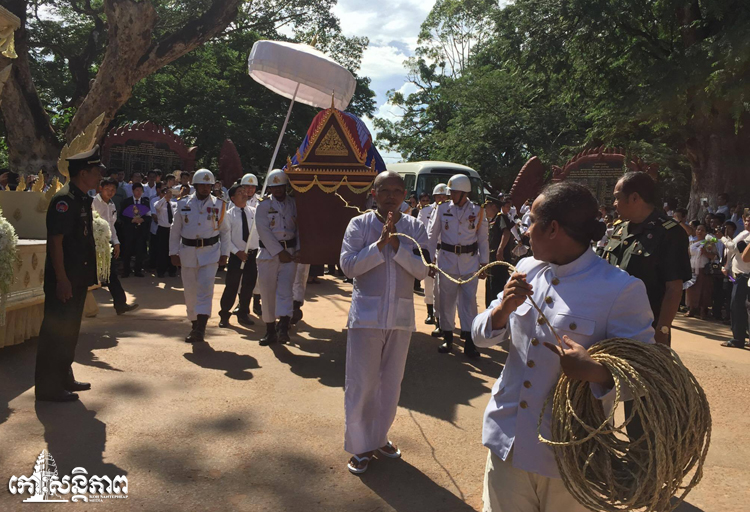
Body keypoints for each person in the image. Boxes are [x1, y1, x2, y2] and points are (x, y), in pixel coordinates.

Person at [473, 182, 655, 512]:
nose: (525, 231)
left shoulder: (620, 289)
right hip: (508, 440)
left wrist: (596, 372)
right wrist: (502, 311)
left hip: (569, 456)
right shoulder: (526, 269)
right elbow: (479, 336)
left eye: (531, 222)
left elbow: (644, 375)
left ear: (553, 228)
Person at [340, 171, 429, 474]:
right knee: (361, 382)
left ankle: (379, 438)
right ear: (373, 194)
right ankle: (359, 445)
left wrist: (397, 246)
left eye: (396, 191)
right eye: (384, 190)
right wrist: (378, 246)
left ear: (405, 195)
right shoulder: (359, 225)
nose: (391, 196)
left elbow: (423, 270)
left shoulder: (415, 227)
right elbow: (348, 266)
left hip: (400, 317)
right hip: (366, 316)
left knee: (391, 383)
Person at [35, 145, 104, 402]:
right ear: (83, 173)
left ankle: (64, 376)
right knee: (55, 333)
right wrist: (62, 279)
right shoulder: (64, 200)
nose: (100, 176)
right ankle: (48, 388)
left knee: (70, 331)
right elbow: (56, 242)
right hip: (64, 279)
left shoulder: (81, 198)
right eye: (96, 172)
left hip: (77, 276)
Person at [603, 172, 691, 346]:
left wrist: (662, 331)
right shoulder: (620, 229)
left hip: (643, 330)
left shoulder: (669, 233)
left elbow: (673, 288)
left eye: (617, 197)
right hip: (609, 323)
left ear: (635, 198)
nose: (614, 203)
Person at [427, 174, 489, 357]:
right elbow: (432, 235)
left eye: (454, 192)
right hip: (447, 261)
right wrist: (430, 261)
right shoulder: (442, 208)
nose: (451, 195)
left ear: (464, 193)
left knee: (469, 302)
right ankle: (448, 338)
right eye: (451, 192)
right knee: (446, 301)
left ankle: (470, 343)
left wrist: (484, 262)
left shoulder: (477, 210)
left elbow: (483, 239)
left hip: (470, 262)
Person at [169, 169, 230, 343]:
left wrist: (225, 253)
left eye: (208, 185)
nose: (205, 188)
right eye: (202, 185)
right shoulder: (183, 203)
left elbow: (225, 231)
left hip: (210, 252)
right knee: (190, 292)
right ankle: (194, 323)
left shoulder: (219, 204)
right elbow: (175, 230)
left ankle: (201, 328)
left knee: (205, 289)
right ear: (195, 185)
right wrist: (173, 252)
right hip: (187, 252)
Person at [255, 169, 299, 345]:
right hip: (268, 254)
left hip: (291, 253)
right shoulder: (263, 205)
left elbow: (300, 228)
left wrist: (299, 249)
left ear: (285, 186)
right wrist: (279, 252)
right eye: (274, 187)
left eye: (281, 186)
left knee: (286, 291)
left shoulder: (294, 204)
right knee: (267, 293)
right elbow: (263, 231)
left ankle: (283, 328)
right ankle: (270, 330)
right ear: (270, 188)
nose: (278, 189)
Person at [92, 178, 139, 315]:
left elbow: (111, 226)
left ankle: (120, 304)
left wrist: (116, 242)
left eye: (113, 190)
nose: (110, 192)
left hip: (107, 244)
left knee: (111, 274)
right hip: (93, 244)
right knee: (88, 276)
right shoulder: (93, 202)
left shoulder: (112, 205)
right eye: (107, 189)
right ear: (101, 188)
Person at [218, 184, 258, 328]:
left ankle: (243, 312)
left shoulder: (254, 212)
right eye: (240, 192)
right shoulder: (228, 215)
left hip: (252, 255)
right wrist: (237, 252)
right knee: (232, 285)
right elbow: (226, 238)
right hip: (236, 256)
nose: (244, 193)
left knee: (248, 285)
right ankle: (224, 314)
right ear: (233, 198)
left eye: (244, 191)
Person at [721, 212, 750, 348]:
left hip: (746, 276)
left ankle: (738, 339)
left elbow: (735, 248)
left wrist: (721, 238)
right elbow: (732, 249)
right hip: (738, 276)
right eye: (746, 220)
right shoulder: (744, 233)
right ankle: (739, 337)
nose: (747, 223)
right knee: (738, 307)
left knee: (739, 307)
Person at [485, 196, 514, 308]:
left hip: (499, 259)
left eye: (487, 206)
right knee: (491, 285)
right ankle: (490, 310)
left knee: (497, 287)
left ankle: (497, 310)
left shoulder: (500, 217)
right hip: (493, 259)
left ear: (493, 206)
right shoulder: (493, 220)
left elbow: (506, 232)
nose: (485, 209)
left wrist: (500, 249)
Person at [120, 183, 152, 277]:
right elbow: (122, 215)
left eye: (140, 191)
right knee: (127, 250)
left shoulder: (145, 202)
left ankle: (138, 270)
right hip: (129, 230)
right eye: (137, 190)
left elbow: (149, 216)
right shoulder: (127, 202)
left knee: (140, 251)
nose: (139, 192)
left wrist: (143, 219)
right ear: (133, 191)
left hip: (141, 230)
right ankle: (126, 270)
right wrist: (131, 220)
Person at [685, 224, 717, 318]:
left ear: (706, 232)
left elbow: (714, 256)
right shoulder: (692, 242)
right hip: (692, 268)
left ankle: (703, 311)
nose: (699, 232)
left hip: (703, 269)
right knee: (691, 290)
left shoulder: (709, 243)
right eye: (698, 229)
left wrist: (705, 252)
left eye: (702, 230)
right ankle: (691, 309)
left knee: (704, 291)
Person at [417, 190, 436, 324]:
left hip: (445, 253)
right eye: (439, 196)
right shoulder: (425, 211)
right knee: (429, 284)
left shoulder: (452, 210)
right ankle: (430, 313)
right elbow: (419, 230)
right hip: (429, 251)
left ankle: (442, 318)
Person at [152, 183, 178, 277]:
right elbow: (157, 207)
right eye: (166, 193)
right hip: (162, 229)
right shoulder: (158, 203)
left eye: (170, 193)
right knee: (162, 251)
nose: (168, 195)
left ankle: (172, 270)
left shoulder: (174, 204)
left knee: (172, 250)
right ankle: (161, 271)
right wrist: (164, 198)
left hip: (172, 229)